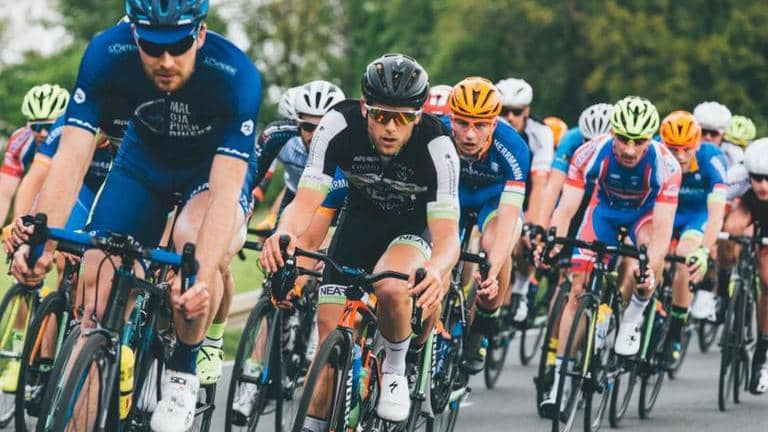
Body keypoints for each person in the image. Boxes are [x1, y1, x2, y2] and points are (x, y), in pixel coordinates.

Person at [11, 1, 262, 430]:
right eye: (151, 45)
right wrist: (41, 242)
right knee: (95, 290)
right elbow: (70, 159)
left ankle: (183, 368)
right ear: (133, 35)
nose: (166, 61)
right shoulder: (105, 53)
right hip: (142, 167)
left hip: (210, 173)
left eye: (179, 45)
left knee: (190, 253)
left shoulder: (235, 74)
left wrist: (200, 280)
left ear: (200, 35)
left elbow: (224, 195)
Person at [260, 53, 460, 426]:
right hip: (360, 221)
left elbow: (448, 234)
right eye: (381, 115)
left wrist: (436, 268)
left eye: (402, 118)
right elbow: (305, 201)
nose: (390, 127)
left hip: (413, 228)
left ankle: (396, 366)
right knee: (329, 340)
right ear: (365, 108)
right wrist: (285, 231)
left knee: (391, 285)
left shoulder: (437, 145)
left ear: (418, 117)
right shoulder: (338, 124)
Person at [540, 96, 681, 417]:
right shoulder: (590, 152)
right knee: (577, 288)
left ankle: (633, 317)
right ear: (612, 132)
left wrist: (651, 267)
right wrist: (554, 240)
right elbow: (567, 208)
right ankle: (560, 384)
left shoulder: (667, 165)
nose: (629, 150)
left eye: (639, 141)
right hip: (603, 212)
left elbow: (662, 234)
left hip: (644, 217)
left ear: (651, 139)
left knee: (641, 268)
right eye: (623, 139)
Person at [443, 77, 530, 373]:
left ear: (494, 123)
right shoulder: (437, 133)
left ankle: (481, 326)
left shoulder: (513, 147)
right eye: (462, 123)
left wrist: (492, 272)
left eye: (480, 125)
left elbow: (508, 219)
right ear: (450, 118)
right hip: (452, 196)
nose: (470, 134)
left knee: (496, 251)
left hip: (492, 201)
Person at [658, 111, 727, 364]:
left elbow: (716, 214)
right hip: (666, 211)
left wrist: (704, 250)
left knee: (684, 258)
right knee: (650, 257)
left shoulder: (712, 158)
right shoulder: (654, 152)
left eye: (686, 149)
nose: (679, 156)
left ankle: (675, 332)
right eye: (672, 149)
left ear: (697, 144)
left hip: (696, 216)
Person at [495, 77, 554, 323]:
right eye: (503, 111)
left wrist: (532, 225)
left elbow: (540, 184)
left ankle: (520, 288)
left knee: (527, 240)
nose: (509, 117)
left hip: (527, 191)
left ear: (527, 111)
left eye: (516, 112)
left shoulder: (541, 133)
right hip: (496, 188)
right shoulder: (489, 127)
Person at [719, 137, 768, 395]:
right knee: (729, 230)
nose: (763, 185)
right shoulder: (737, 175)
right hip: (749, 207)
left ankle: (761, 353)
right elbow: (716, 206)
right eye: (757, 178)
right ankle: (723, 286)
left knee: (767, 279)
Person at [0, 84, 70, 223]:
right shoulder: (21, 140)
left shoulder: (74, 139)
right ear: (28, 125)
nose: (43, 133)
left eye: (50, 127)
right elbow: (4, 194)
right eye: (37, 127)